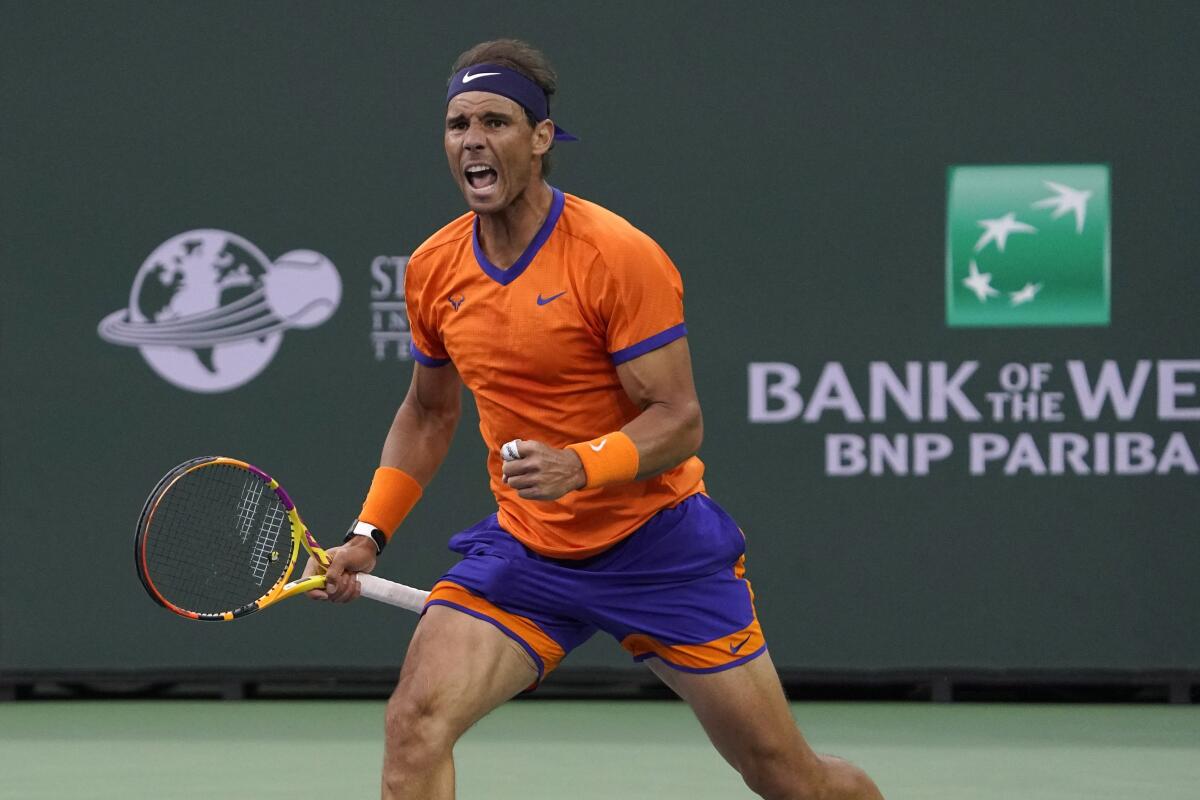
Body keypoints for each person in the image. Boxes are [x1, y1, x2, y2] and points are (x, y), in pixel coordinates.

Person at [304, 38, 884, 800]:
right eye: (457, 125)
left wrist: (580, 464)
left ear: (541, 138)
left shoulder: (616, 256)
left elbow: (678, 420)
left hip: (658, 547)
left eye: (496, 122)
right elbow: (428, 411)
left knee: (786, 777)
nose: (473, 141)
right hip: (527, 555)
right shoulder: (433, 268)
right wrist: (368, 534)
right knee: (415, 724)